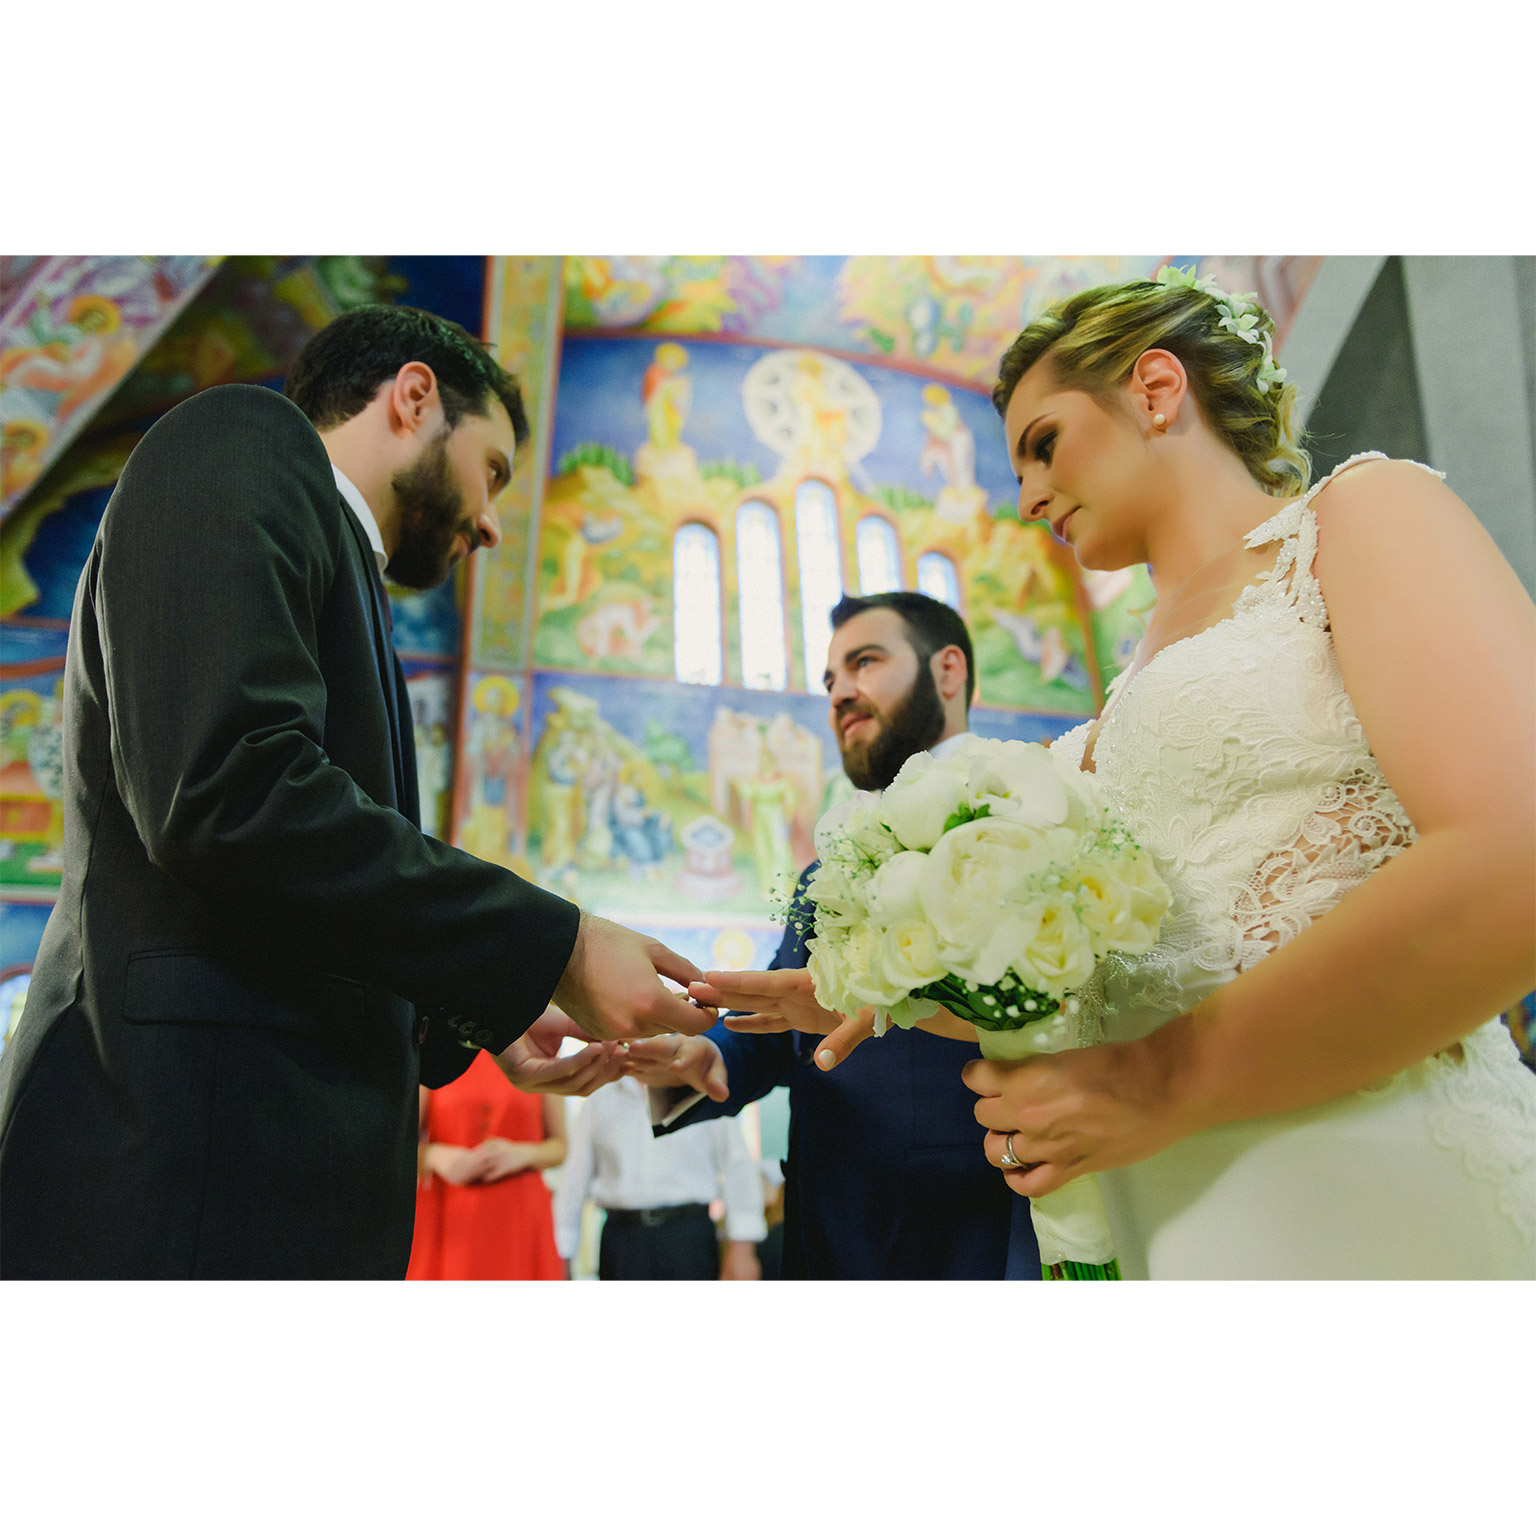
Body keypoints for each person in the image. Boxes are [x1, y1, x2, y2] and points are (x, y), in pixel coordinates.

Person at [725, 269, 1536, 1279]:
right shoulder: (1118, 699)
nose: (1027, 496)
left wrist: (1160, 1079)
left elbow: (1515, 848)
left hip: (1376, 1179)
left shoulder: (1358, 517)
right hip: (1180, 1217)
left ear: (1156, 389)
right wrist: (891, 992)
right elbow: (1133, 975)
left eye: (1044, 442)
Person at [0, 305, 711, 1280]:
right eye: (493, 470)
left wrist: (486, 1009)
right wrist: (559, 946)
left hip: (251, 1180)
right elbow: (230, 790)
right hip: (176, 1175)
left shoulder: (338, 571)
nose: (492, 522)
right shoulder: (241, 441)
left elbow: (294, 905)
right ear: (415, 398)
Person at [628, 592, 1036, 1279]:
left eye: (865, 662)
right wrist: (699, 1058)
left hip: (962, 1227)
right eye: (829, 680)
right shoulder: (827, 865)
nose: (840, 692)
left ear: (948, 670)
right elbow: (788, 1017)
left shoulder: (1018, 822)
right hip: (827, 1231)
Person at [553, 1076, 765, 1280]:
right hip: (623, 1242)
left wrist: (743, 1247)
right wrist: (562, 1254)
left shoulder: (700, 1083)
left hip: (689, 1239)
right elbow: (574, 1178)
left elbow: (737, 1164)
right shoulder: (600, 1096)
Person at [407, 1042, 566, 1282]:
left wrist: (521, 1154)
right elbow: (398, 1146)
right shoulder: (435, 1046)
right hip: (450, 1215)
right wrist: (436, 1156)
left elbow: (561, 1146)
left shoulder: (539, 1045)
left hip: (520, 1218)